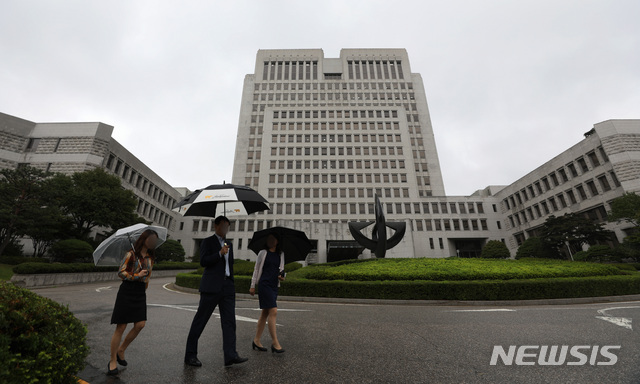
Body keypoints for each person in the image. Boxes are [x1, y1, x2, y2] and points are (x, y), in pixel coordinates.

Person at [185, 216, 248, 367]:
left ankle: (230, 355)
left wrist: (231, 282)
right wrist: (219, 253)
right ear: (216, 226)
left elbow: (229, 266)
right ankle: (190, 355)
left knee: (229, 322)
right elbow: (204, 261)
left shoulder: (229, 244)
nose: (226, 229)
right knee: (200, 320)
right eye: (223, 225)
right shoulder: (208, 241)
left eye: (228, 226)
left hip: (227, 287)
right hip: (211, 287)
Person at [107, 229, 159, 376]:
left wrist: (144, 283)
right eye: (151, 239)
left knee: (140, 324)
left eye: (155, 240)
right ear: (144, 239)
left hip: (140, 292)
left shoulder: (150, 257)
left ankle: (121, 349)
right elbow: (121, 272)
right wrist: (136, 276)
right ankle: (112, 361)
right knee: (121, 327)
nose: (153, 243)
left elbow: (148, 276)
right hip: (127, 290)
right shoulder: (131, 254)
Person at [250, 234, 286, 353]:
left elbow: (282, 270)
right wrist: (252, 285)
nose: (271, 240)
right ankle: (275, 343)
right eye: (269, 238)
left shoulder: (281, 254)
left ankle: (256, 340)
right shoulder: (262, 253)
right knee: (273, 311)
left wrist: (282, 276)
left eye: (274, 238)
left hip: (274, 286)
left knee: (265, 312)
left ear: (277, 241)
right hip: (264, 284)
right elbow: (256, 269)